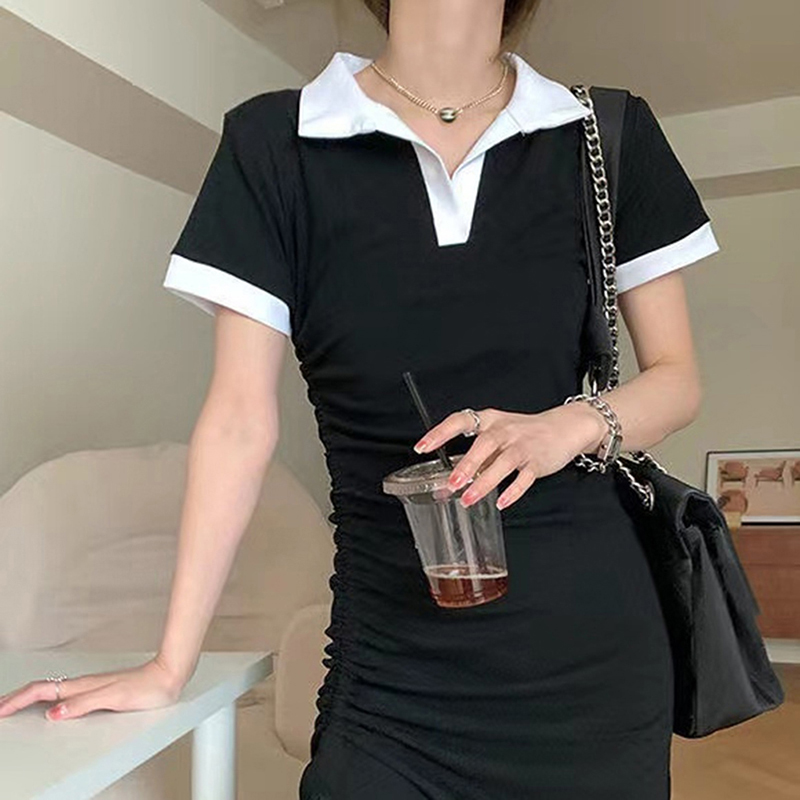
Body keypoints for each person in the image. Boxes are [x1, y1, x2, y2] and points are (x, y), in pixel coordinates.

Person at [0, 1, 721, 797]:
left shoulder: (605, 133)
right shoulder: (275, 143)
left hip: (592, 665)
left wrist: (569, 426)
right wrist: (171, 662)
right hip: (391, 674)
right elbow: (238, 422)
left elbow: (676, 378)